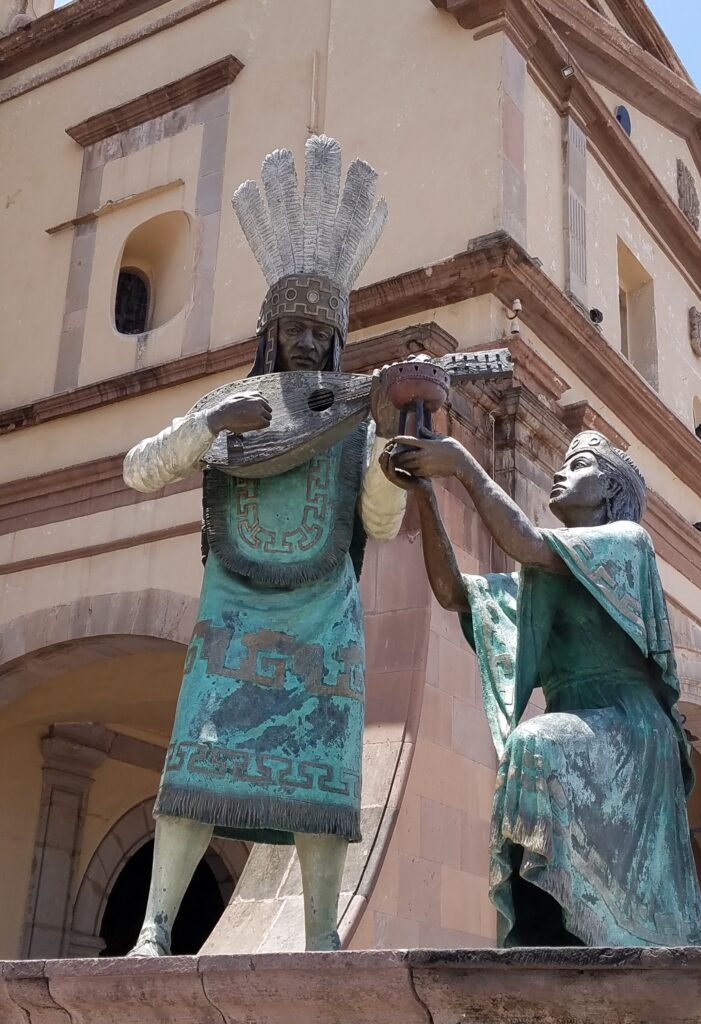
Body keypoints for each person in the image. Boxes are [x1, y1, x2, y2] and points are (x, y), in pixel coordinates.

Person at [123, 136, 405, 955]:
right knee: (198, 767)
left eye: (323, 331)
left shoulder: (350, 412)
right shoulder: (229, 402)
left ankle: (323, 935)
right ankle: (154, 927)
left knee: (322, 775)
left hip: (326, 613)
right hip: (234, 612)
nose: (309, 342)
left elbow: (379, 524)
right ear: (270, 330)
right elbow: (140, 471)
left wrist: (388, 455)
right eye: (295, 327)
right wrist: (207, 425)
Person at [381, 428, 701, 947]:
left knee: (534, 743)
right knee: (534, 746)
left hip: (631, 726)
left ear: (609, 489)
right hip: (583, 723)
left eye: (578, 465)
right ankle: (549, 929)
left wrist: (462, 465)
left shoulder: (626, 542)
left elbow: (525, 543)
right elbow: (451, 592)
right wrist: (424, 492)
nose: (560, 473)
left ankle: (548, 924)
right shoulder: (540, 578)